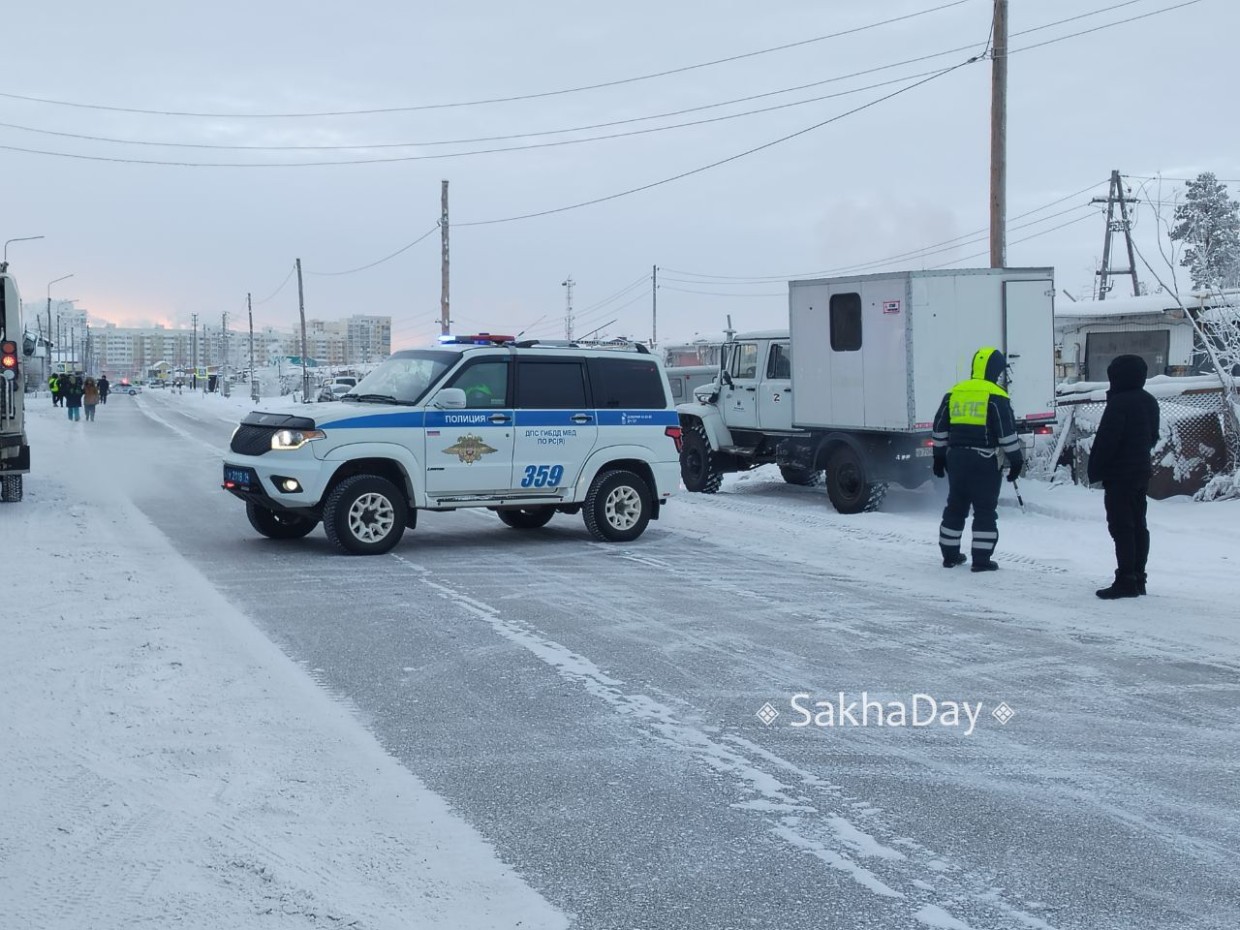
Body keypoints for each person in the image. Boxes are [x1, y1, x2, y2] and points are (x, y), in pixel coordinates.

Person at [931, 346, 1024, 572]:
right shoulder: (997, 395)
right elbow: (1006, 434)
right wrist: (1016, 461)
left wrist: (939, 458)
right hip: (984, 460)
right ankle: (981, 560)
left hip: (957, 459)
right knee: (984, 511)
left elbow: (940, 428)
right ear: (994, 370)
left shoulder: (955, 391)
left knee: (955, 507)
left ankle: (950, 555)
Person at [1086, 354, 1160, 599]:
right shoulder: (1149, 401)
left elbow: (1108, 441)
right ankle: (1139, 578)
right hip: (1141, 472)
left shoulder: (1119, 404)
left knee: (1122, 527)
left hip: (1120, 475)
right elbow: (1152, 437)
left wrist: (1096, 468)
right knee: (1139, 525)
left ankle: (1125, 580)